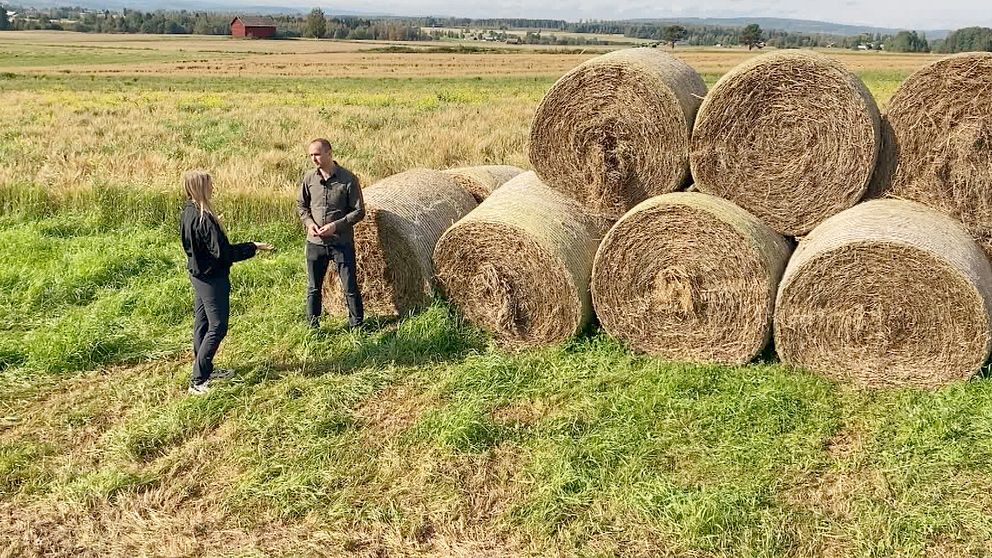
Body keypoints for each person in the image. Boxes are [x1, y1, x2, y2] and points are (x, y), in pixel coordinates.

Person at [180, 170, 274, 395]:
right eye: (210, 184)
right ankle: (198, 380)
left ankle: (205, 368)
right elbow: (223, 253)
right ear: (202, 187)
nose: (213, 188)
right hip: (212, 278)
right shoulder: (204, 218)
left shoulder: (188, 211)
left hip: (198, 274)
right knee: (218, 326)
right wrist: (253, 246)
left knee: (202, 323)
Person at [297, 138, 366, 330]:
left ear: (329, 153)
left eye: (317, 154)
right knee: (313, 287)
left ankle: (357, 326)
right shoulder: (309, 178)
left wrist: (336, 226)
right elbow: (301, 206)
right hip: (315, 243)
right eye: (311, 155)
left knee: (350, 287)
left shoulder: (348, 179)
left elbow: (359, 211)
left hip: (340, 242)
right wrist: (309, 224)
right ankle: (313, 327)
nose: (313, 159)